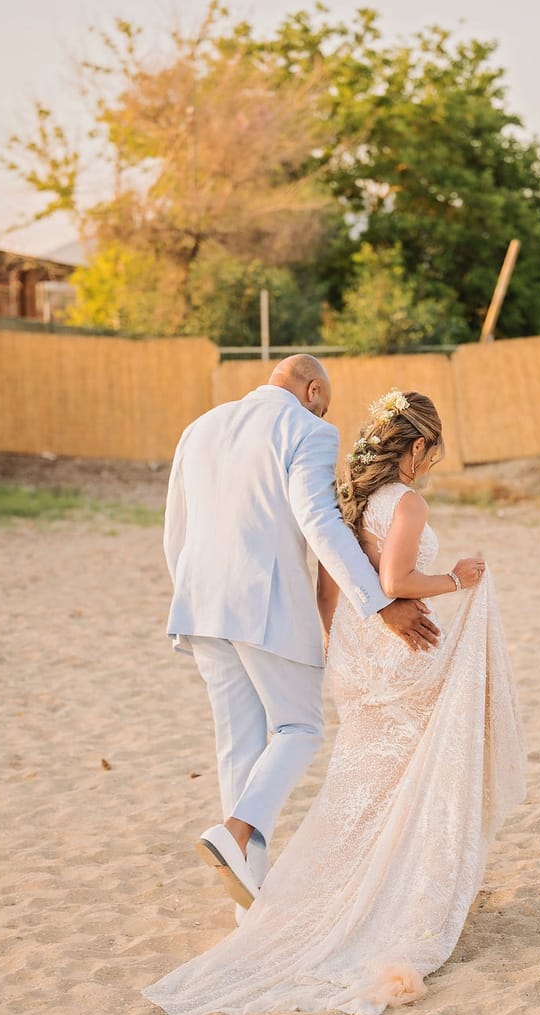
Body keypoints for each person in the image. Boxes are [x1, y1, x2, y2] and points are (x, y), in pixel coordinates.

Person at [144, 387, 527, 1015]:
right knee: (433, 752)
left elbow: (329, 586)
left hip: (351, 653)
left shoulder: (350, 505)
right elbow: (395, 583)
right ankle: (395, 888)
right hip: (392, 651)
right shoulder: (405, 502)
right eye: (431, 450)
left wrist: (329, 647)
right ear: (418, 445)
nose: (431, 463)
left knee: (361, 779)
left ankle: (289, 886)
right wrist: (457, 580)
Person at [161, 355, 439, 915]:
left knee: (240, 744)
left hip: (199, 604)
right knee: (301, 728)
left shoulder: (201, 426)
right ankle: (236, 832)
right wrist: (380, 603)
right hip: (262, 604)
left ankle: (248, 904)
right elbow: (319, 522)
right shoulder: (308, 430)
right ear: (313, 390)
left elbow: (177, 530)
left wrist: (190, 596)